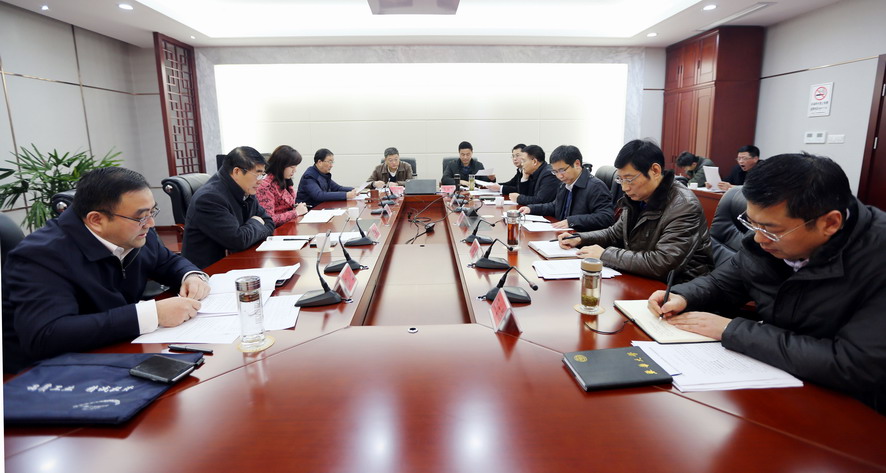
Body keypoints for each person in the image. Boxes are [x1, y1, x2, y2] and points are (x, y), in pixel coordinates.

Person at [649, 153, 886, 413]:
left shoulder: (876, 260)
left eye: (771, 230)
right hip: (779, 383)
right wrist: (683, 295)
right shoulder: (766, 242)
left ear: (830, 223)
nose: (759, 238)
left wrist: (731, 331)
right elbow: (723, 282)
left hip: (853, 409)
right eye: (752, 224)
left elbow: (853, 364)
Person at [2, 167, 210, 373]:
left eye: (152, 212)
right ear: (96, 220)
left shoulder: (136, 232)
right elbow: (47, 335)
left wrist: (190, 276)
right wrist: (152, 314)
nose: (150, 223)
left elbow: (166, 262)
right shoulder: (41, 256)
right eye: (141, 217)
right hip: (46, 372)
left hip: (117, 348)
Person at [559, 139, 712, 282]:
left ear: (655, 170)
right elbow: (614, 234)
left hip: (678, 288)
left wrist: (605, 255)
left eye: (629, 179)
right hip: (643, 277)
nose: (624, 187)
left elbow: (663, 263)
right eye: (620, 179)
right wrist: (580, 238)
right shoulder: (636, 199)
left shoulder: (684, 206)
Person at [183, 146, 276, 268]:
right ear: (237, 172)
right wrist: (257, 222)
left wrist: (249, 230)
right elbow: (238, 241)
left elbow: (269, 222)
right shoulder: (209, 198)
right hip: (210, 270)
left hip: (240, 260)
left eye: (262, 175)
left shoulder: (246, 188)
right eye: (257, 175)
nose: (261, 181)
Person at [519, 145, 613, 232]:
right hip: (563, 234)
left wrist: (571, 221)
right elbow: (555, 206)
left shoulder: (596, 186)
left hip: (582, 238)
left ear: (577, 164)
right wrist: (531, 209)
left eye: (562, 170)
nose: (559, 176)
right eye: (555, 172)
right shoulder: (565, 184)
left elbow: (606, 217)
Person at [256, 145, 309, 227]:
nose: (294, 170)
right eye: (292, 167)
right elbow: (269, 219)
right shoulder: (265, 186)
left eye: (295, 167)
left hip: (289, 226)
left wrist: (297, 207)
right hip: (276, 231)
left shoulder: (285, 181)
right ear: (280, 166)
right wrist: (296, 212)